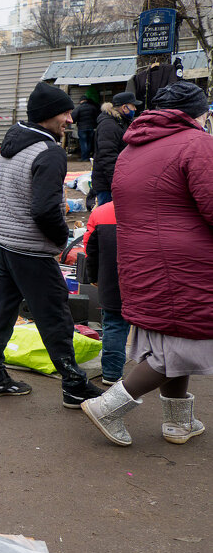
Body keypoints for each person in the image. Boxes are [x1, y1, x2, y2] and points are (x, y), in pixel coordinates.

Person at [80, 81, 212, 446]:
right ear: (195, 113)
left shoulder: (133, 147)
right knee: (184, 343)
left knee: (171, 338)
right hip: (186, 264)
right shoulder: (196, 144)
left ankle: (178, 422)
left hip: (142, 260)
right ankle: (109, 406)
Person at [0, 82, 103, 407]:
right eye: (65, 113)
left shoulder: (14, 141)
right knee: (56, 318)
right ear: (49, 115)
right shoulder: (48, 152)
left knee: (2, 314)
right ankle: (75, 385)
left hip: (5, 245)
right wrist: (61, 239)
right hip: (30, 251)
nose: (70, 120)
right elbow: (45, 209)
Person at [82, 200, 126, 385]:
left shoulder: (101, 213)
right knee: (154, 328)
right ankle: (157, 372)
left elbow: (90, 249)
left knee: (114, 325)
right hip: (148, 280)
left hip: (111, 280)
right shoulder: (157, 208)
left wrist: (93, 277)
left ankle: (111, 373)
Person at [91, 91, 139, 206]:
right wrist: (116, 184)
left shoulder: (121, 122)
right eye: (133, 106)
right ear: (124, 107)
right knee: (107, 219)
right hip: (107, 184)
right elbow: (107, 157)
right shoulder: (109, 125)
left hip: (116, 179)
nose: (135, 109)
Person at [73, 91, 100, 161]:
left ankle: (84, 157)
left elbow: (73, 118)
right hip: (91, 128)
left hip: (82, 128)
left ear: (81, 101)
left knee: (83, 142)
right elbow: (97, 117)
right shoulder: (93, 107)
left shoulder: (79, 108)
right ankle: (88, 156)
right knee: (89, 142)